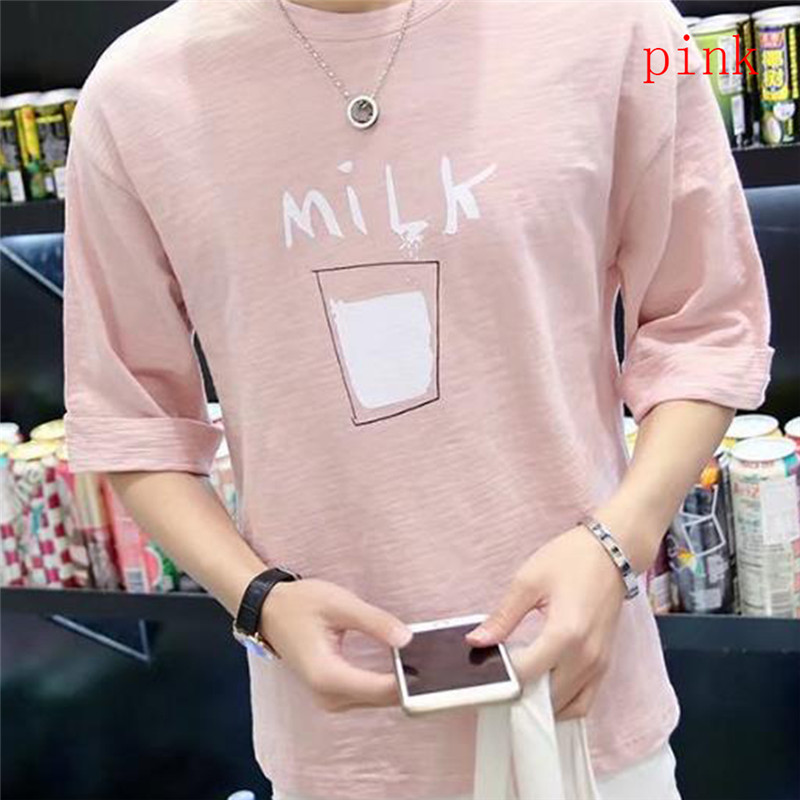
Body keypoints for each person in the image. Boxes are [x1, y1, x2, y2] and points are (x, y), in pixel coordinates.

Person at [62, 0, 773, 798]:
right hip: (338, 744)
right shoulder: (133, 94)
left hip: (582, 708)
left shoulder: (628, 27)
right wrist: (258, 599)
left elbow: (706, 323)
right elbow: (129, 418)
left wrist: (620, 542)